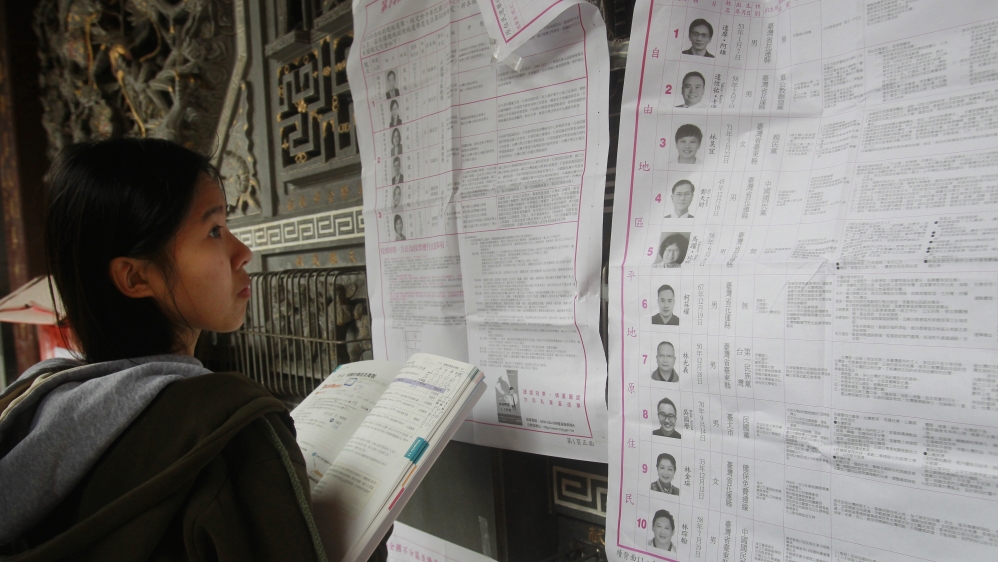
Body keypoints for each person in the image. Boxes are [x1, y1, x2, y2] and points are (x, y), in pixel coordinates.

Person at [0, 137, 390, 560]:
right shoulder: (226, 426)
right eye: (214, 231)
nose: (243, 253)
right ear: (136, 278)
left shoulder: (33, 404)